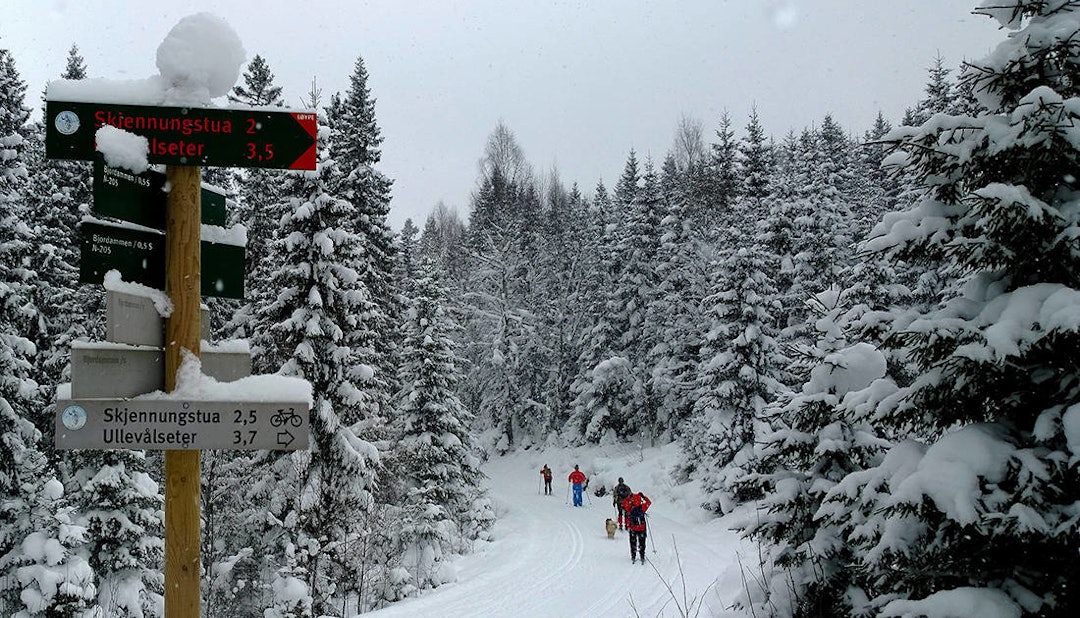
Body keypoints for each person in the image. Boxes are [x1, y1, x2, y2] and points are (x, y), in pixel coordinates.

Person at [621, 491, 652, 564]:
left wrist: (629, 497)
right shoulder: (643, 507)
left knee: (633, 542)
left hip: (633, 528)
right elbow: (649, 502)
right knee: (642, 543)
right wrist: (643, 496)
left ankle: (633, 556)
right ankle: (642, 556)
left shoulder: (630, 508)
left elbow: (624, 502)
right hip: (642, 528)